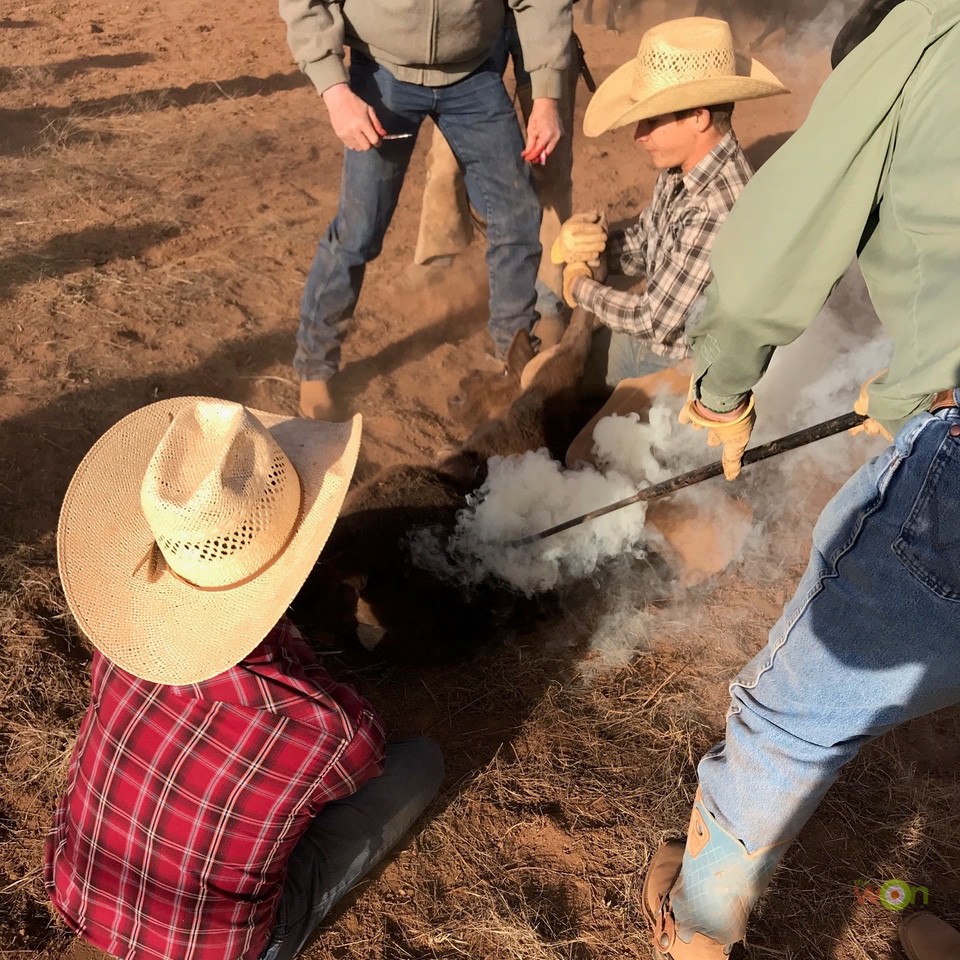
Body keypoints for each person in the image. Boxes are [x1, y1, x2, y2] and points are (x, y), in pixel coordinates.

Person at [642, 1, 960, 957]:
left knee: (793, 713)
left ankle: (696, 924)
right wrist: (913, 382)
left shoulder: (928, 34)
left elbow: (755, 277)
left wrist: (724, 394)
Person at [44, 397, 444, 960]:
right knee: (421, 763)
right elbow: (369, 750)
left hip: (80, 893)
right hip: (209, 950)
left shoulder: (120, 648)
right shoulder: (330, 730)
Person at [279, 0, 573, 419]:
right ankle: (315, 365)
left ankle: (511, 357)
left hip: (475, 74)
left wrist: (545, 95)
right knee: (359, 230)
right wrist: (333, 88)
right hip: (382, 72)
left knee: (517, 215)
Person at [550, 16, 787, 388]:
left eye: (651, 121)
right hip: (653, 344)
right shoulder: (681, 170)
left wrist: (580, 285)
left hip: (679, 368)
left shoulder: (716, 208)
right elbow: (648, 243)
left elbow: (653, 321)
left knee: (579, 442)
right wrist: (596, 251)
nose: (638, 135)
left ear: (697, 117)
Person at [412, 18, 584, 348]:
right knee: (447, 153)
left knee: (552, 160)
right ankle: (439, 256)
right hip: (469, 15)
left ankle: (547, 296)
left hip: (542, 21)